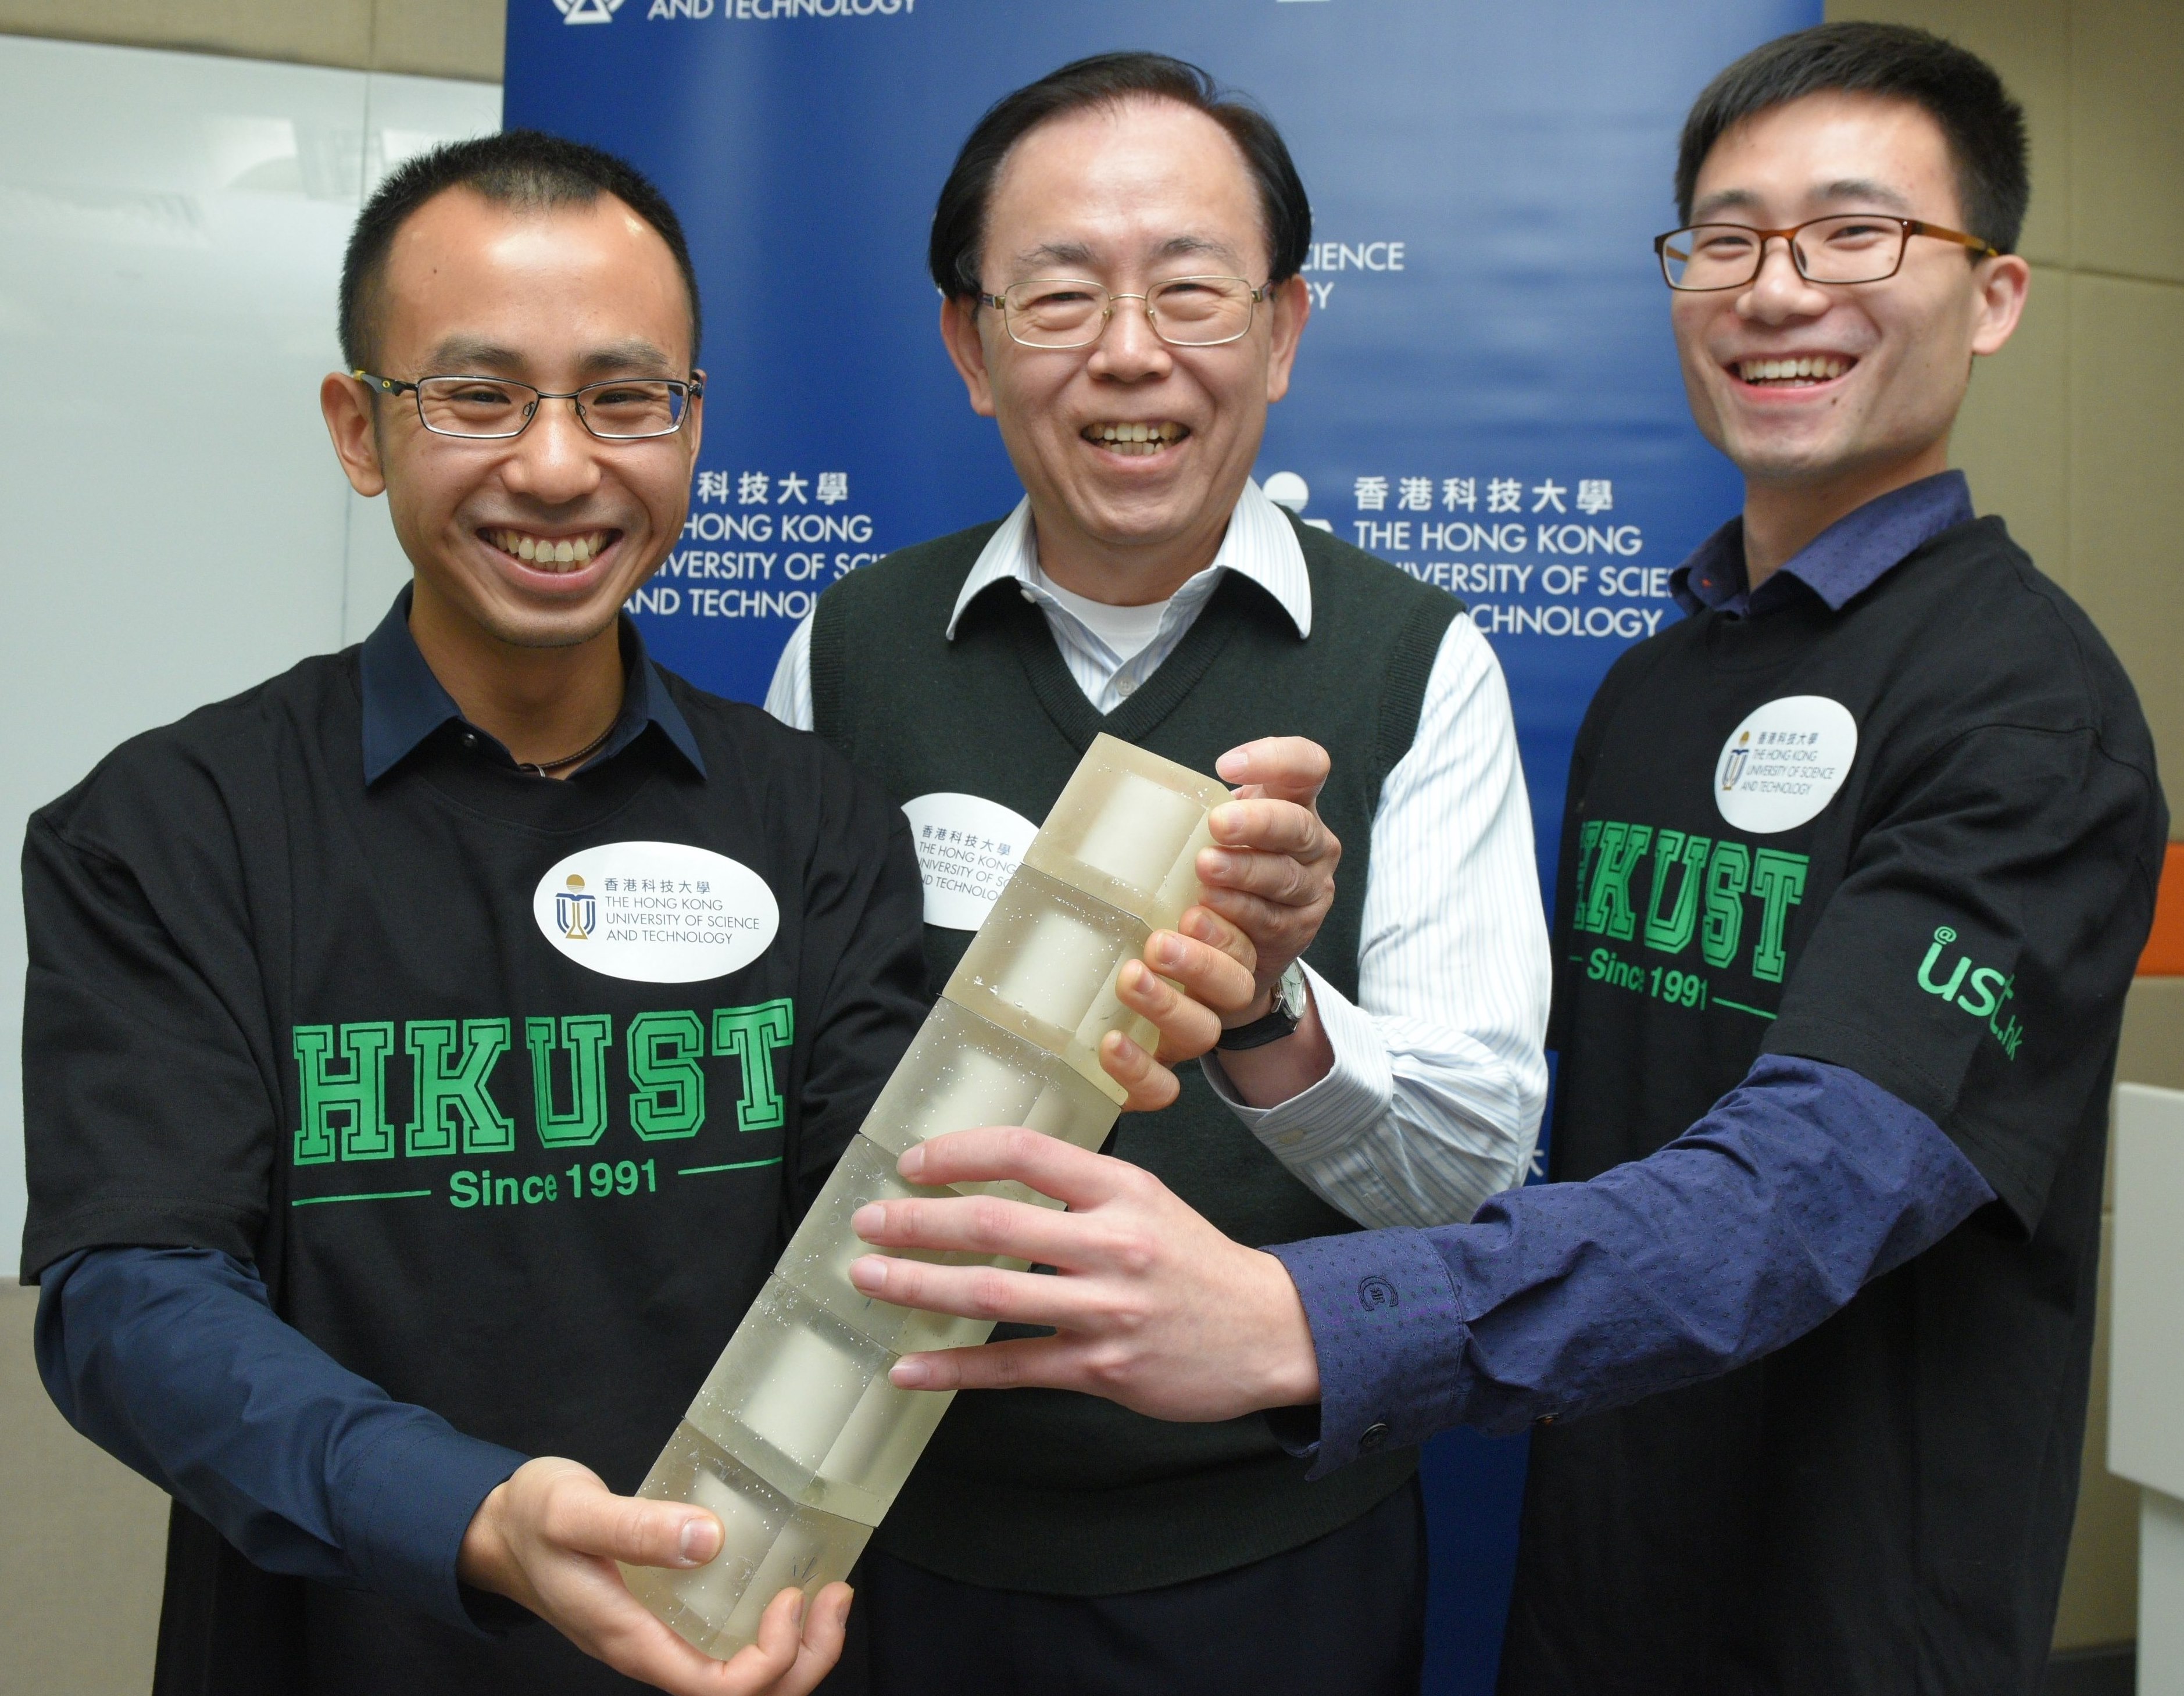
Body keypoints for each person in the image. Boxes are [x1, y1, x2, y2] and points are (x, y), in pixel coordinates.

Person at [840, 24, 2168, 1694]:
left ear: (1993, 293)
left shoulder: (2027, 715)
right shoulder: (1661, 685)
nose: (1778, 291)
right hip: (1602, 1568)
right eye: (1730, 240)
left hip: (1851, 1608)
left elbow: (1819, 1181)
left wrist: (1303, 1323)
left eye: (1856, 236)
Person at [19, 130, 1238, 1696]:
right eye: (476, 396)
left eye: (620, 398)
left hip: (753, 1650)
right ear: (359, 427)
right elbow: (133, 1304)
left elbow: (889, 1243)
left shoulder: (810, 818)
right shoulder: (169, 831)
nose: (554, 465)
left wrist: (1080, 1066)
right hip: (343, 1649)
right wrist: (469, 1513)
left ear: (691, 425)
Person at [764, 51, 1550, 1696]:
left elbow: (1475, 1184)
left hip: (1279, 1556)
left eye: (1192, 289)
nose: (1131, 352)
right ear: (971, 348)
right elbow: (774, 1118)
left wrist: (1273, 1004)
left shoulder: (1421, 662)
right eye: (1058, 296)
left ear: (1284, 330)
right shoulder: (845, 650)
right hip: (900, 1542)